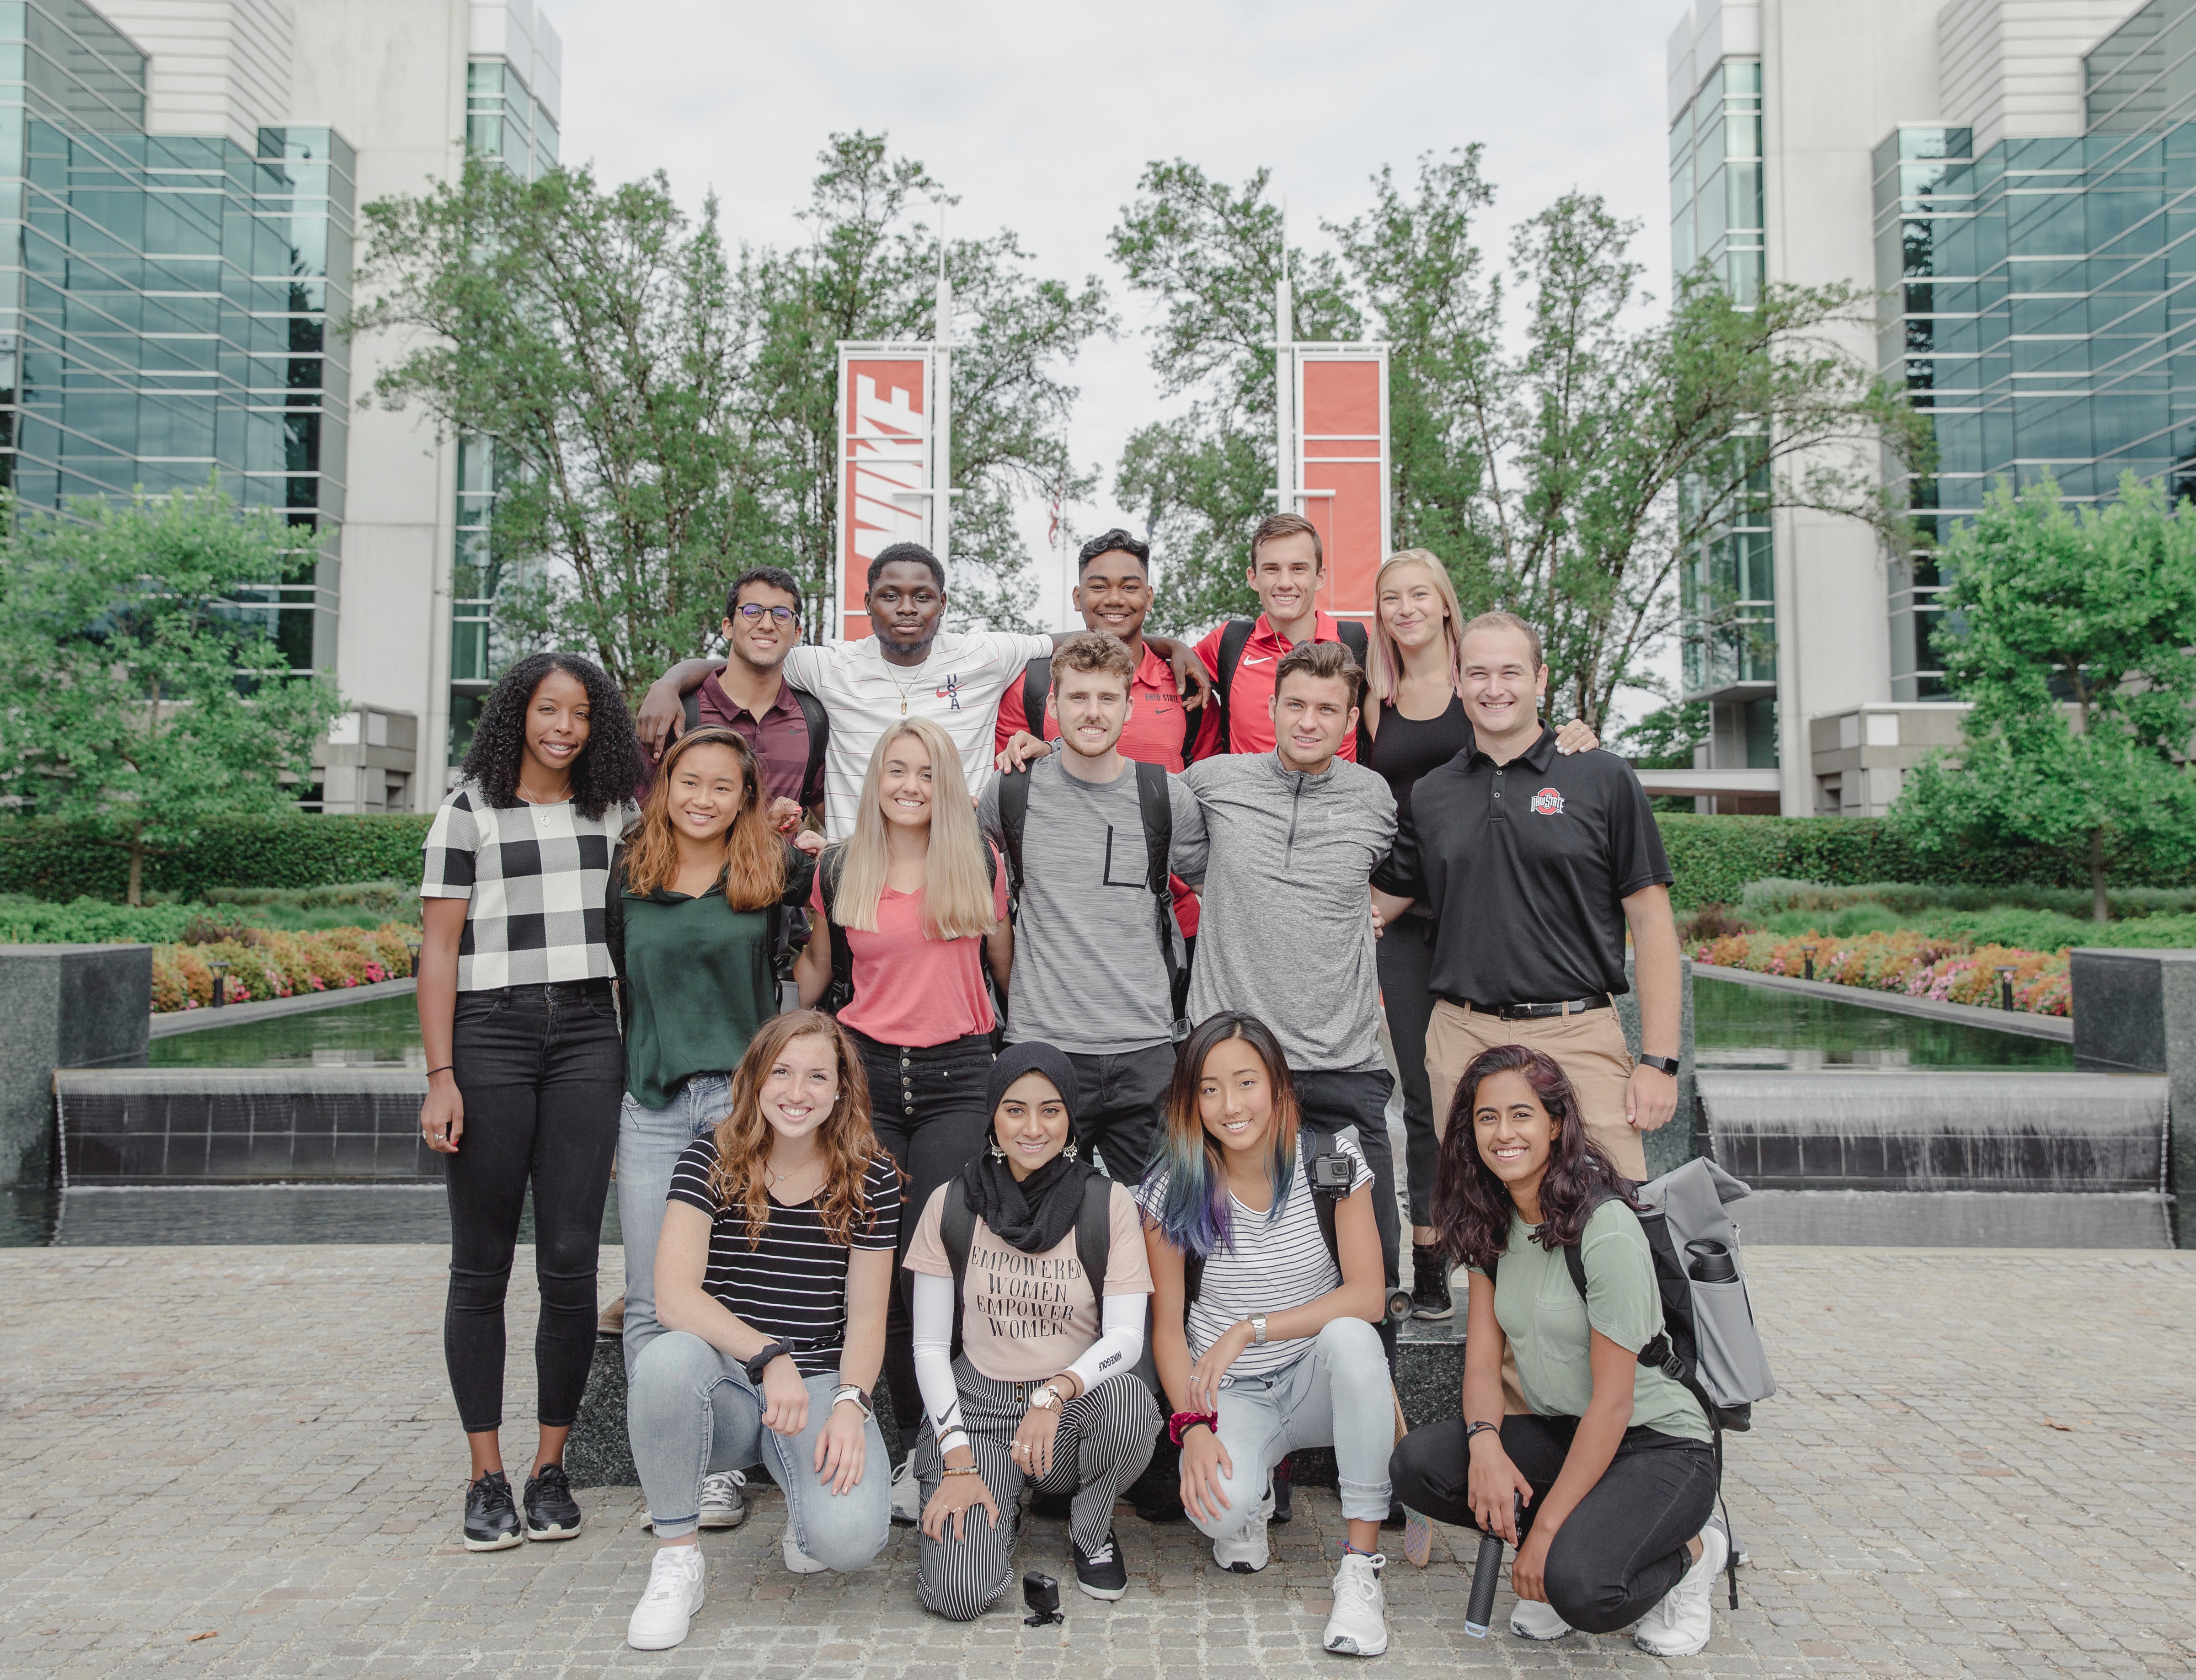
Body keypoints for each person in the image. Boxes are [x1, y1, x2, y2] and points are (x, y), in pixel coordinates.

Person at [416, 651, 646, 1552]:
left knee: (568, 1260)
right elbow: (437, 951)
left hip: (590, 1035)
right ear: (519, 713)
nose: (565, 727)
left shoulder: (616, 812)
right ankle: (484, 1475)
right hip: (491, 1036)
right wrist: (440, 1074)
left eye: (582, 713)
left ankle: (550, 1467)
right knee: (480, 1266)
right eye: (549, 710)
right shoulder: (467, 808)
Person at [1387, 1045, 1724, 1656]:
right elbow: (1483, 1363)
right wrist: (1484, 1440)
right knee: (1421, 1463)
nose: (1502, 1132)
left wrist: (1541, 1532)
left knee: (1582, 1589)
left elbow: (1614, 1404)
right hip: (1565, 1430)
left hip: (1657, 1441)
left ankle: (1695, 1552)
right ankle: (1574, 1536)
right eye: (1485, 1117)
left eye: (1520, 1113)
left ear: (1553, 1122)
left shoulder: (1605, 1227)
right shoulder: (1491, 1218)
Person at [1371, 611, 1683, 1191]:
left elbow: (1652, 921)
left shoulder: (1603, 778)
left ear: (1540, 681)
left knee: (1611, 1220)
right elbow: (1381, 903)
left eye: (1511, 673)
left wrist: (1660, 1062)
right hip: (1462, 1038)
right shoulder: (1433, 794)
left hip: (1578, 1034)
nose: (1495, 689)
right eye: (1479, 673)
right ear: (1458, 683)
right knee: (1479, 1229)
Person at [1360, 556, 1596, 1320]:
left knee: (1519, 1094)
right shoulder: (1376, 696)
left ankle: (1547, 1250)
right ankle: (1432, 1265)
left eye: (1419, 594)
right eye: (1389, 597)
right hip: (1405, 909)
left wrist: (1578, 739)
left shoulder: (1483, 683)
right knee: (1427, 1103)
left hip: (1482, 911)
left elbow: (1535, 757)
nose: (1405, 609)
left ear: (1445, 604)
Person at [623, 1011, 898, 1651]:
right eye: (781, 1072)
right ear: (754, 1077)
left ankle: (803, 1511)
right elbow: (673, 1296)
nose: (796, 1092)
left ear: (840, 1090)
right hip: (723, 1382)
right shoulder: (710, 1158)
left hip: (819, 1386)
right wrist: (769, 1355)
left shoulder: (871, 1175)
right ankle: (676, 1556)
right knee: (665, 1360)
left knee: (851, 1542)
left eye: (815, 1076)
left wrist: (851, 1403)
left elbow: (865, 1318)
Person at [791, 717, 1012, 1511]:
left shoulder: (978, 862)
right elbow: (817, 972)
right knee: (873, 1259)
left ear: (944, 783)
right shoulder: (842, 866)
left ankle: (941, 1443)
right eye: (896, 770)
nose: (909, 786)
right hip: (867, 1078)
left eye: (924, 772)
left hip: (957, 1076)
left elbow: (1002, 971)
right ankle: (891, 1441)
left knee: (937, 1262)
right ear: (875, 780)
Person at [606, 725, 819, 1544]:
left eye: (722, 787)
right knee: (655, 1300)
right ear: (665, 788)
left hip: (745, 1111)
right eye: (688, 782)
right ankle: (675, 1463)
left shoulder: (772, 870)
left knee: (734, 1285)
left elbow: (810, 961)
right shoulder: (629, 873)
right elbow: (623, 981)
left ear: (745, 798)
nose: (703, 799)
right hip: (656, 1108)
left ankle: (728, 1460)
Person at [639, 542, 1210, 838]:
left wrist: (1164, 645)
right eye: (890, 595)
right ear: (868, 605)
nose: (906, 608)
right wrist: (670, 681)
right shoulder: (828, 664)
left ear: (944, 605)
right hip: (853, 873)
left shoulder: (983, 653)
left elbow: (1092, 632)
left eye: (922, 596)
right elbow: (747, 655)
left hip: (958, 867)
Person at [1137, 1013, 1395, 1658]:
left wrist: (1248, 1329)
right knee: (1216, 1511)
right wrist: (1192, 1425)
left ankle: (1360, 1567)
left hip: (1316, 1380)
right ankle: (1249, 1495)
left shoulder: (1331, 1159)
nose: (1231, 1105)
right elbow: (1167, 1330)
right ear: (1190, 1100)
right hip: (1232, 1397)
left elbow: (1367, 1294)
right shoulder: (1171, 1187)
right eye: (1210, 1088)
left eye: (1246, 1081)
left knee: (1355, 1338)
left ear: (1279, 1087)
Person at [1178, 639, 1404, 1346]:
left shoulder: (1374, 799)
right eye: (1296, 704)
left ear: (1348, 721)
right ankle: (1196, 1424)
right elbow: (1126, 800)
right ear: (1271, 707)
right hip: (1229, 1071)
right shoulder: (1210, 783)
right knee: (1200, 1255)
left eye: (1328, 709)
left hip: (1340, 1065)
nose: (1310, 721)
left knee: (1372, 1267)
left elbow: (1404, 883)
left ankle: (1380, 1435)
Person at [904, 1043, 1160, 1616]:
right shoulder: (952, 1204)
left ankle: (1091, 1530)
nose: (1033, 1127)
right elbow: (927, 1347)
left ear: (1071, 1117)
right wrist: (957, 1457)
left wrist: (1054, 1392)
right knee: (957, 1595)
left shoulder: (1107, 1203)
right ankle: (998, 1496)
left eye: (1051, 1110)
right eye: (1015, 1109)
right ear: (993, 1114)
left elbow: (1125, 1339)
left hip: (1072, 1410)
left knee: (1131, 1407)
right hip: (980, 1416)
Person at [981, 630, 1209, 1184]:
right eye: (1078, 698)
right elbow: (945, 871)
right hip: (1043, 1047)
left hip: (1148, 1048)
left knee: (1168, 1225)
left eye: (1108, 699)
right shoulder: (1012, 792)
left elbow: (1225, 889)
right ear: (1053, 707)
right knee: (1043, 1228)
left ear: (1129, 709)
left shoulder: (1164, 795)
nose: (1093, 713)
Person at [994, 528, 1214, 962]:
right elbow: (1007, 795)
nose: (1114, 598)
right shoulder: (1033, 686)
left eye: (1129, 587)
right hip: (1061, 925)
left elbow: (1208, 799)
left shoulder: (1188, 685)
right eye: (1099, 586)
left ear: (1149, 597)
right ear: (1077, 597)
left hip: (1173, 920)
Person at [1192, 511, 1370, 759]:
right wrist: (1170, 647)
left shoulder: (1359, 643)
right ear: (1253, 578)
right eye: (1272, 569)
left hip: (1336, 796)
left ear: (1320, 577)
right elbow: (1151, 667)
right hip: (1248, 796)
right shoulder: (1228, 643)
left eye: (1298, 569)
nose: (1285, 582)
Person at [677, 565, 828, 832]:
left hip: (782, 875)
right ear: (728, 626)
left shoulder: (812, 718)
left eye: (781, 615)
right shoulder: (682, 712)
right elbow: (646, 820)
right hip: (692, 874)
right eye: (752, 612)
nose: (767, 625)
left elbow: (832, 813)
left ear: (796, 634)